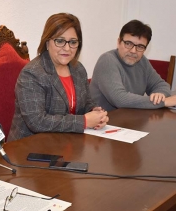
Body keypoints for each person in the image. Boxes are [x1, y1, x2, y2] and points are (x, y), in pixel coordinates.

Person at [8, 13, 109, 141]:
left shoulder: (78, 69)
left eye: (73, 42)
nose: (67, 48)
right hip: (30, 147)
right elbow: (37, 121)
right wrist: (83, 121)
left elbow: (86, 102)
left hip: (67, 142)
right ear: (47, 42)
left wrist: (96, 112)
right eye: (60, 41)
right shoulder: (32, 73)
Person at [89, 19, 176, 111]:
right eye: (128, 43)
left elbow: (161, 85)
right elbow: (120, 99)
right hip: (103, 123)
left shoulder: (142, 61)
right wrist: (163, 102)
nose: (133, 51)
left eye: (140, 46)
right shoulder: (107, 60)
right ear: (119, 42)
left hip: (129, 121)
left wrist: (160, 95)